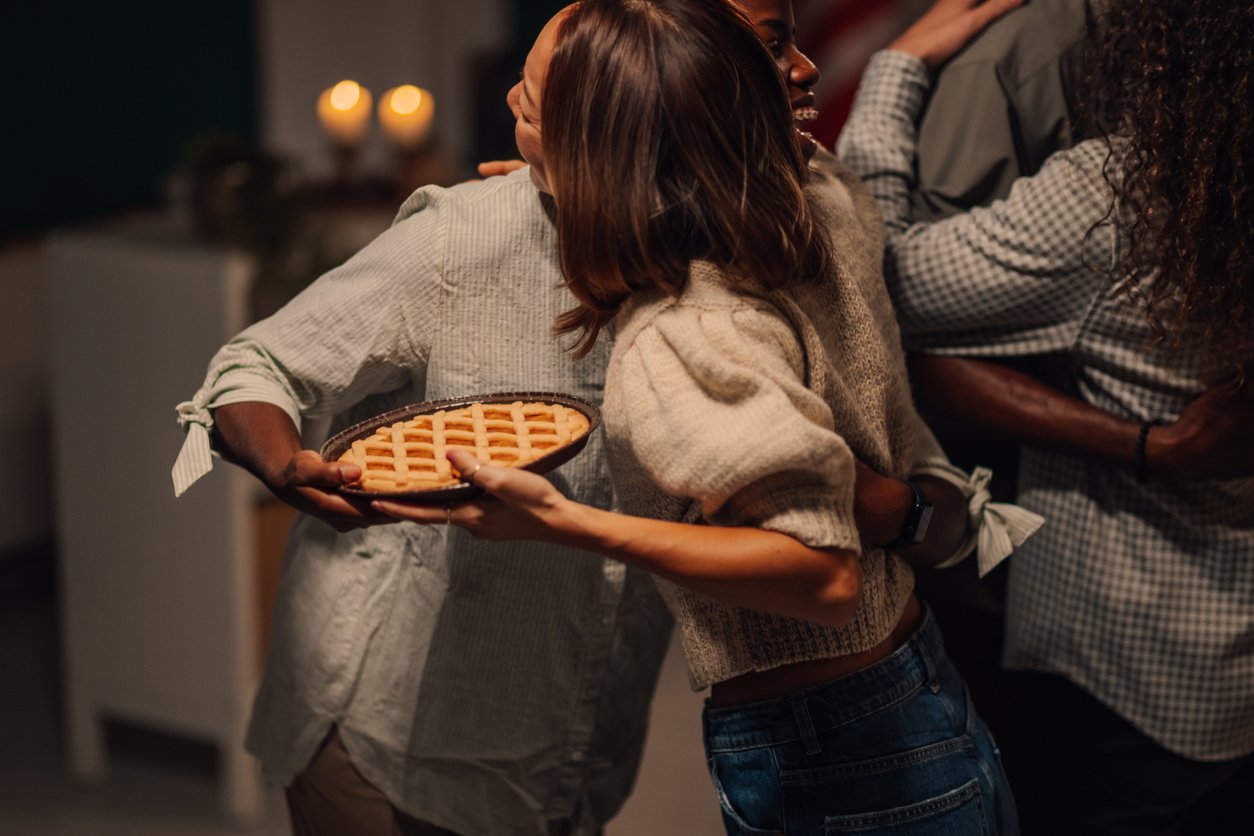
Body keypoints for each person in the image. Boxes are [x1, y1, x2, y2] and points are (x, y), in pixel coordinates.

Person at [171, 2, 972, 834]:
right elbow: (254, 364)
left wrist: (906, 510)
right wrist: (284, 465)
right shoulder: (468, 235)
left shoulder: (752, 260)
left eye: (547, 91)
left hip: (583, 748)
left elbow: (869, 483)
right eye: (528, 79)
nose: (519, 98)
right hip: (393, 728)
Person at [375, 1, 1026, 833]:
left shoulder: (684, 332)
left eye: (536, 110)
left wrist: (565, 523)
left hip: (834, 745)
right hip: (918, 682)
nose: (514, 112)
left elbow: (824, 577)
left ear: (600, 143)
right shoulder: (823, 200)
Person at [837, 0, 1254, 832]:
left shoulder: (1127, 193)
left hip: (1137, 665)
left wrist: (897, 68)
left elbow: (880, 277)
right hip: (1223, 671)